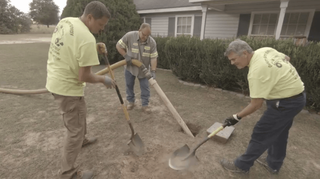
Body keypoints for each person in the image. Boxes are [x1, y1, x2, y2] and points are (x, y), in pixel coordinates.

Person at [46, 1, 115, 179]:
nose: (101, 29)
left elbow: (71, 45)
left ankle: (82, 140)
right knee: (74, 130)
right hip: (67, 88)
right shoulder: (86, 38)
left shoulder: (66, 21)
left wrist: (94, 47)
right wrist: (103, 79)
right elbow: (84, 77)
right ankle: (68, 173)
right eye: (100, 25)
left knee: (80, 111)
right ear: (90, 17)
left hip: (55, 79)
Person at [220, 39, 306, 174]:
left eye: (234, 59)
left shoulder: (256, 71)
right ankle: (273, 164)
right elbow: (286, 58)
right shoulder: (264, 50)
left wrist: (236, 117)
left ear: (244, 53)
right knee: (279, 133)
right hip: (298, 97)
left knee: (261, 132)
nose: (232, 63)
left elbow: (256, 105)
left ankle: (241, 166)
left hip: (285, 103)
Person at [116, 23, 158, 113]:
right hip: (130, 68)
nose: (145, 37)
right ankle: (131, 102)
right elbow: (118, 45)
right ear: (139, 30)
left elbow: (154, 57)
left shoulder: (152, 42)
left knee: (145, 87)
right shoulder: (130, 36)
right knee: (129, 85)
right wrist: (126, 56)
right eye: (143, 34)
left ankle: (145, 105)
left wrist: (153, 71)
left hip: (144, 70)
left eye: (147, 35)